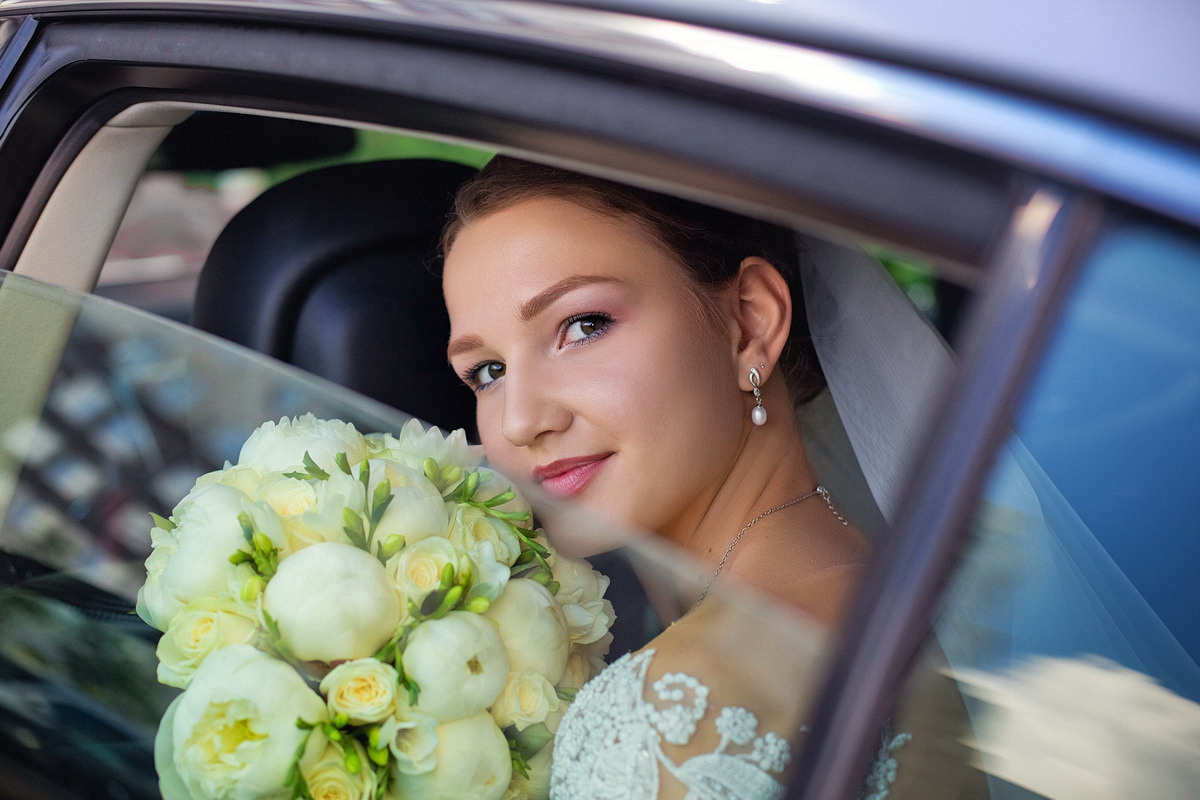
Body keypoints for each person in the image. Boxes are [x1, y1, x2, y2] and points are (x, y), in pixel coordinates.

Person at [440, 157, 969, 799]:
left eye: (583, 327)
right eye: (488, 372)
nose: (521, 421)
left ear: (750, 323)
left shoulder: (670, 713)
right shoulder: (887, 591)